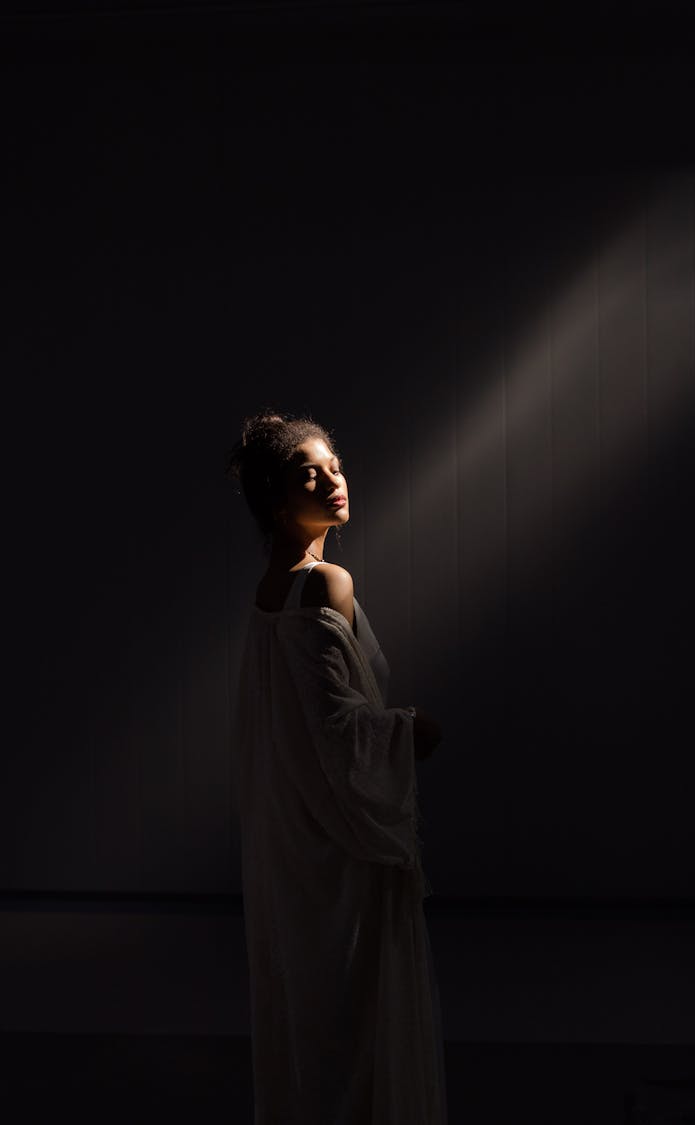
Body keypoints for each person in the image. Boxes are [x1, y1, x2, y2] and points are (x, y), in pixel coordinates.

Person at [226, 410, 448, 1125]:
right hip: (337, 849)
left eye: (334, 465)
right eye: (308, 473)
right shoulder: (325, 584)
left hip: (291, 842)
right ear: (276, 498)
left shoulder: (270, 589)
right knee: (353, 1014)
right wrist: (410, 730)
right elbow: (338, 729)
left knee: (309, 1012)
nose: (332, 480)